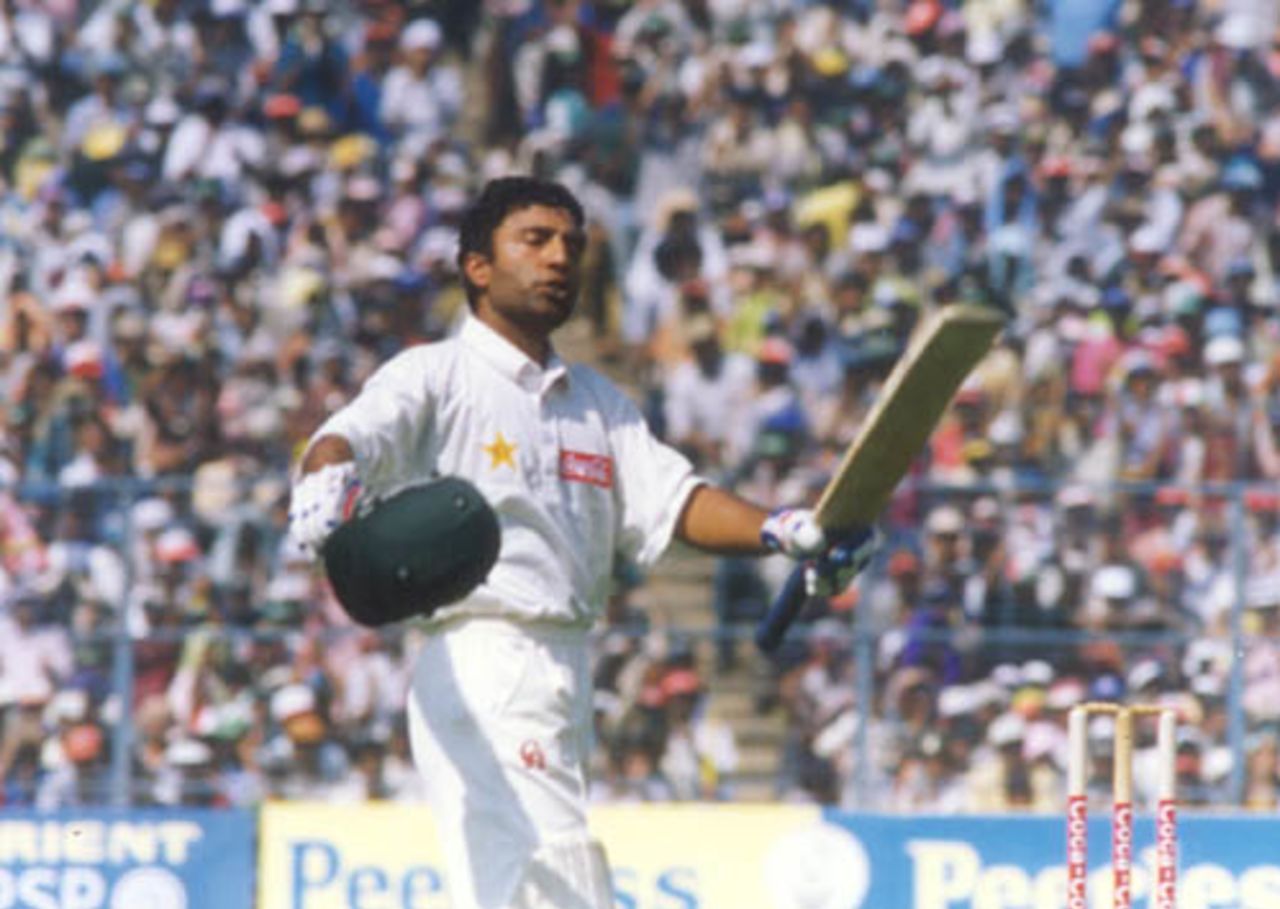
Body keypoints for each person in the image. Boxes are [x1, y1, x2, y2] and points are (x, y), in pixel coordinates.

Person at [285, 176, 876, 909]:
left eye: (571, 243)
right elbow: (348, 436)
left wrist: (784, 528)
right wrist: (324, 477)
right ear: (478, 265)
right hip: (488, 652)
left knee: (515, 894)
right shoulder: (436, 374)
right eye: (534, 240)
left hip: (565, 662)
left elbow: (676, 499)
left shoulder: (598, 401)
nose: (560, 257)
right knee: (564, 882)